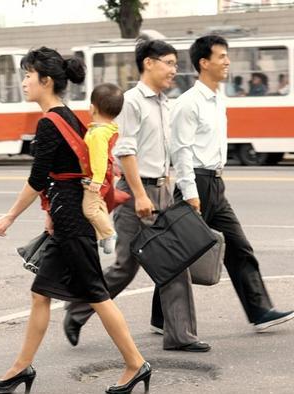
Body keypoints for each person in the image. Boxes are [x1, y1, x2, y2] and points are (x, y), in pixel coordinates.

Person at [0, 46, 151, 394]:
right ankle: (21, 368)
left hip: (71, 221)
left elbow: (38, 180)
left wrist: (9, 217)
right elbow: (65, 173)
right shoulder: (69, 116)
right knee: (41, 294)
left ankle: (136, 363)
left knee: (96, 292)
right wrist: (50, 212)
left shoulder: (50, 122)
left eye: (28, 76)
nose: (24, 82)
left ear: (45, 80)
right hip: (66, 217)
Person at [64, 39, 211, 353]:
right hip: (136, 193)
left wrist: (182, 189)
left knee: (176, 261)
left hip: (163, 191)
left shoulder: (164, 103)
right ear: (149, 63)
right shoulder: (131, 101)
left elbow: (172, 151)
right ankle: (78, 308)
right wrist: (141, 195)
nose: (174, 70)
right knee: (125, 267)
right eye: (169, 63)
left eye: (174, 64)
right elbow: (126, 150)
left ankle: (180, 335)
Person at [166, 34, 294, 338]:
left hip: (214, 183)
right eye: (222, 56)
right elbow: (181, 151)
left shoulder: (217, 100)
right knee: (178, 258)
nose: (227, 62)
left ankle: (260, 311)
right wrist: (190, 194)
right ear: (204, 63)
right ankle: (162, 319)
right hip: (195, 184)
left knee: (238, 248)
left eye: (227, 56)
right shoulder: (188, 103)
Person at [82, 83, 124, 254]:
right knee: (99, 206)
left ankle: (108, 234)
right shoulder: (105, 129)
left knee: (90, 209)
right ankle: (104, 236)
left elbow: (99, 157)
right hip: (100, 177)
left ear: (93, 108)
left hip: (94, 179)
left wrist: (97, 181)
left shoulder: (99, 133)